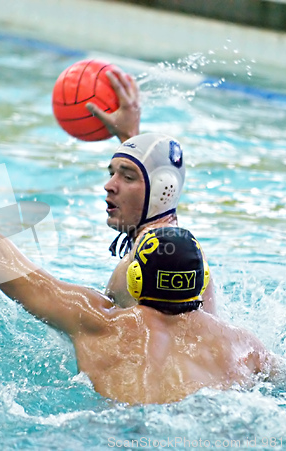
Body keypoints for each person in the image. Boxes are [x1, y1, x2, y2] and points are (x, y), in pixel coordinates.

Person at [0, 131, 273, 405]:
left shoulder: (101, 324)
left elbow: (7, 265)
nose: (109, 184)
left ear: (136, 275)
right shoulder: (243, 346)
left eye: (128, 175)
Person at [86, 68, 216, 312]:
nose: (109, 185)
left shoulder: (145, 267)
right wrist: (129, 137)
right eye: (112, 173)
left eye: (126, 176)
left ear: (161, 190)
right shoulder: (178, 251)